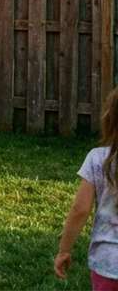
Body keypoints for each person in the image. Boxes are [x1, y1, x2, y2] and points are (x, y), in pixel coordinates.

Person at [55, 88, 118, 288]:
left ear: (110, 118)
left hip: (107, 264)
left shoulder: (97, 159)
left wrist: (64, 250)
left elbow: (80, 210)